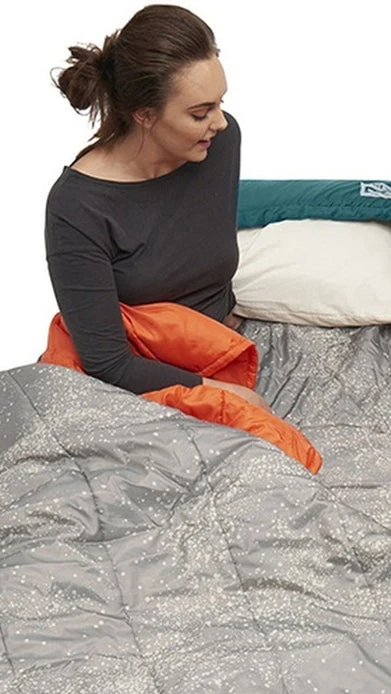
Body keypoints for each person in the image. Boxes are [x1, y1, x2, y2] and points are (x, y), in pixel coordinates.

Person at [46, 4, 268, 410]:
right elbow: (107, 363)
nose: (219, 122)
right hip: (133, 380)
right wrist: (219, 392)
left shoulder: (219, 144)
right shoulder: (78, 207)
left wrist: (219, 331)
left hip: (220, 349)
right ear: (145, 115)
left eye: (220, 103)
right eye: (200, 113)